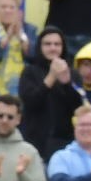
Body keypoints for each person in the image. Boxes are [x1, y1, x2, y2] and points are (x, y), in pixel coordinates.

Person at [18, 27, 83, 162]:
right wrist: (51, 78)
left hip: (63, 141)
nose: (52, 48)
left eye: (57, 44)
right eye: (47, 44)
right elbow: (30, 102)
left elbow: (78, 107)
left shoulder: (72, 73)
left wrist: (66, 83)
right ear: (39, 46)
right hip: (35, 139)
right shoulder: (29, 72)